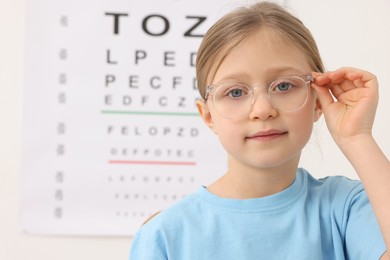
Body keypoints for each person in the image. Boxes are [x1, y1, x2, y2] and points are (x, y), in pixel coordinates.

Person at [129, 2, 389, 259]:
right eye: (235, 92)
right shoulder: (165, 236)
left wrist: (357, 137)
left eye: (284, 86)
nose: (263, 109)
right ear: (208, 116)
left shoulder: (348, 208)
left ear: (318, 100)